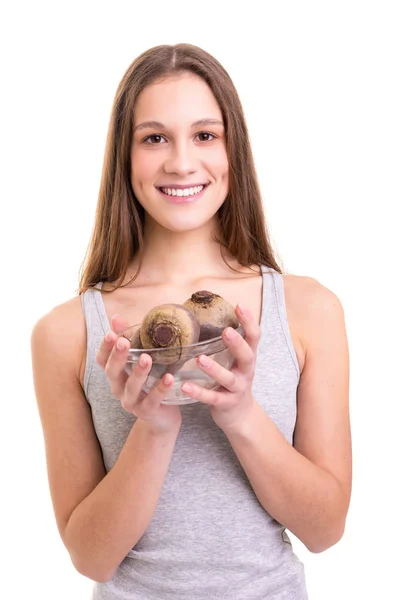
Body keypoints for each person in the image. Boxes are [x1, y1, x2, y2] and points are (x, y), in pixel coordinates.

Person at [31, 43, 351, 600]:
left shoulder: (308, 311)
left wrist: (241, 413)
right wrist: (154, 428)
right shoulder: (69, 333)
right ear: (125, 158)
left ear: (234, 151)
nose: (181, 162)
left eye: (205, 135)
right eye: (154, 138)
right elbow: (90, 556)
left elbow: (325, 530)